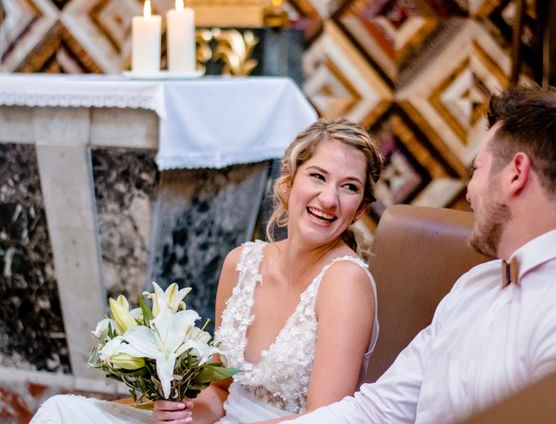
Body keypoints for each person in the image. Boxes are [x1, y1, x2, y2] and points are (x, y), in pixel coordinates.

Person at [283, 86, 556, 424]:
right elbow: (376, 411)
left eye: (477, 171)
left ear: (516, 174)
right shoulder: (475, 285)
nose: (469, 193)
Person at [30, 118, 385, 424]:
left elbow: (324, 419)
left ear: (359, 210)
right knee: (62, 412)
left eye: (348, 187)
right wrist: (186, 412)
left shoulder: (345, 282)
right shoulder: (242, 263)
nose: (328, 199)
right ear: (288, 183)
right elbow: (221, 391)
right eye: (318, 177)